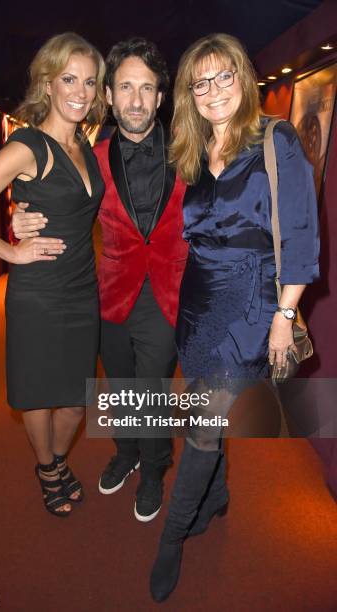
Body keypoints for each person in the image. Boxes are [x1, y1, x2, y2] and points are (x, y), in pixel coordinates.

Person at [149, 33, 319, 601]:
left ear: (243, 80)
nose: (215, 90)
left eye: (225, 77)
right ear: (190, 95)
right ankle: (216, 496)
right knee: (198, 406)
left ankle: (172, 536)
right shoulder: (192, 154)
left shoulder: (277, 140)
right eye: (202, 82)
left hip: (251, 306)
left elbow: (299, 235)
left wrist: (283, 315)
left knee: (201, 424)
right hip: (199, 304)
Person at [12, 38, 188, 522]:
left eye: (147, 88)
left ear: (160, 97)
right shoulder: (91, 154)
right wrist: (19, 215)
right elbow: (54, 196)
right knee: (117, 385)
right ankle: (126, 451)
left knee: (151, 389)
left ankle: (153, 469)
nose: (135, 100)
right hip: (108, 291)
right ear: (108, 96)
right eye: (125, 87)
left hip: (166, 295)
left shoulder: (188, 150)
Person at [0, 32, 107, 517]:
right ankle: (48, 468)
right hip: (39, 293)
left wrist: (21, 213)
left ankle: (55, 458)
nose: (80, 90)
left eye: (90, 82)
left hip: (81, 289)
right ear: (48, 84)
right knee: (38, 394)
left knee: (76, 401)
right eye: (69, 79)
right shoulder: (28, 146)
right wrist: (9, 253)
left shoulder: (83, 144)